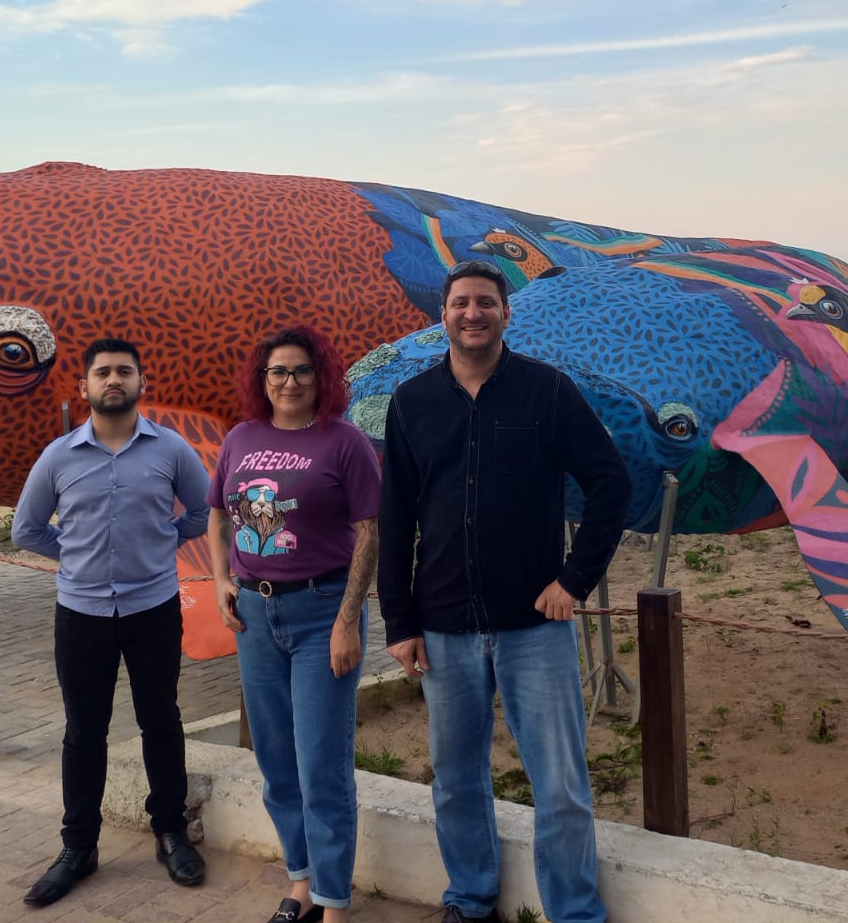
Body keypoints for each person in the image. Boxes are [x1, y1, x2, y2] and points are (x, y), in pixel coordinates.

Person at [378, 258, 631, 923]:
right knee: (457, 783)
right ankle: (471, 898)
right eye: (461, 302)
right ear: (444, 315)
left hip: (534, 626)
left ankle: (573, 911)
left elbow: (611, 485)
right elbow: (395, 518)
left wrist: (575, 579)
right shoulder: (411, 404)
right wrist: (399, 623)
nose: (473, 313)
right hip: (442, 626)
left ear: (505, 313)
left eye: (485, 302)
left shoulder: (547, 392)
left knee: (562, 785)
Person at [13, 338, 210, 908]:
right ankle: (78, 847)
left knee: (161, 721)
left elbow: (201, 512)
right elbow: (25, 530)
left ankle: (170, 832)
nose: (113, 379)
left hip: (153, 609)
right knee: (83, 731)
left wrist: (162, 540)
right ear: (85, 388)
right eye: (103, 372)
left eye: (124, 371)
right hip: (82, 615)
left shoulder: (171, 451)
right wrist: (74, 556)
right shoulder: (58, 456)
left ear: (141, 382)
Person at [207, 325, 380, 923]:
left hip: (319, 613)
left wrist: (348, 619)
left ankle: (333, 902)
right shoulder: (240, 438)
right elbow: (218, 514)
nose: (288, 381)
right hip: (255, 617)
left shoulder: (345, 442)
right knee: (277, 760)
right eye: (277, 371)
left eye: (301, 370)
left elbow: (369, 533)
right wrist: (221, 577)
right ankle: (301, 882)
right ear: (262, 379)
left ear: (321, 376)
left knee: (321, 762)